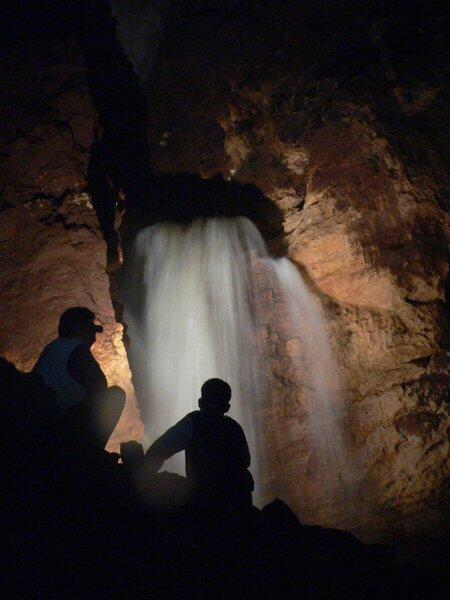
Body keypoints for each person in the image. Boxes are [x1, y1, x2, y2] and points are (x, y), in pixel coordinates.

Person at [145, 378, 254, 509]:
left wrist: (145, 475)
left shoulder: (194, 423)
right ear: (227, 407)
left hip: (204, 500)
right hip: (236, 501)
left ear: (200, 403)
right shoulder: (234, 427)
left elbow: (160, 449)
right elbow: (246, 461)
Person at [33, 306, 125, 449]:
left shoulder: (50, 348)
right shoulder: (78, 350)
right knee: (115, 395)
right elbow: (100, 387)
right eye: (91, 329)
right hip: (62, 429)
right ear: (80, 329)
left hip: (41, 426)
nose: (94, 335)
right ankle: (90, 454)